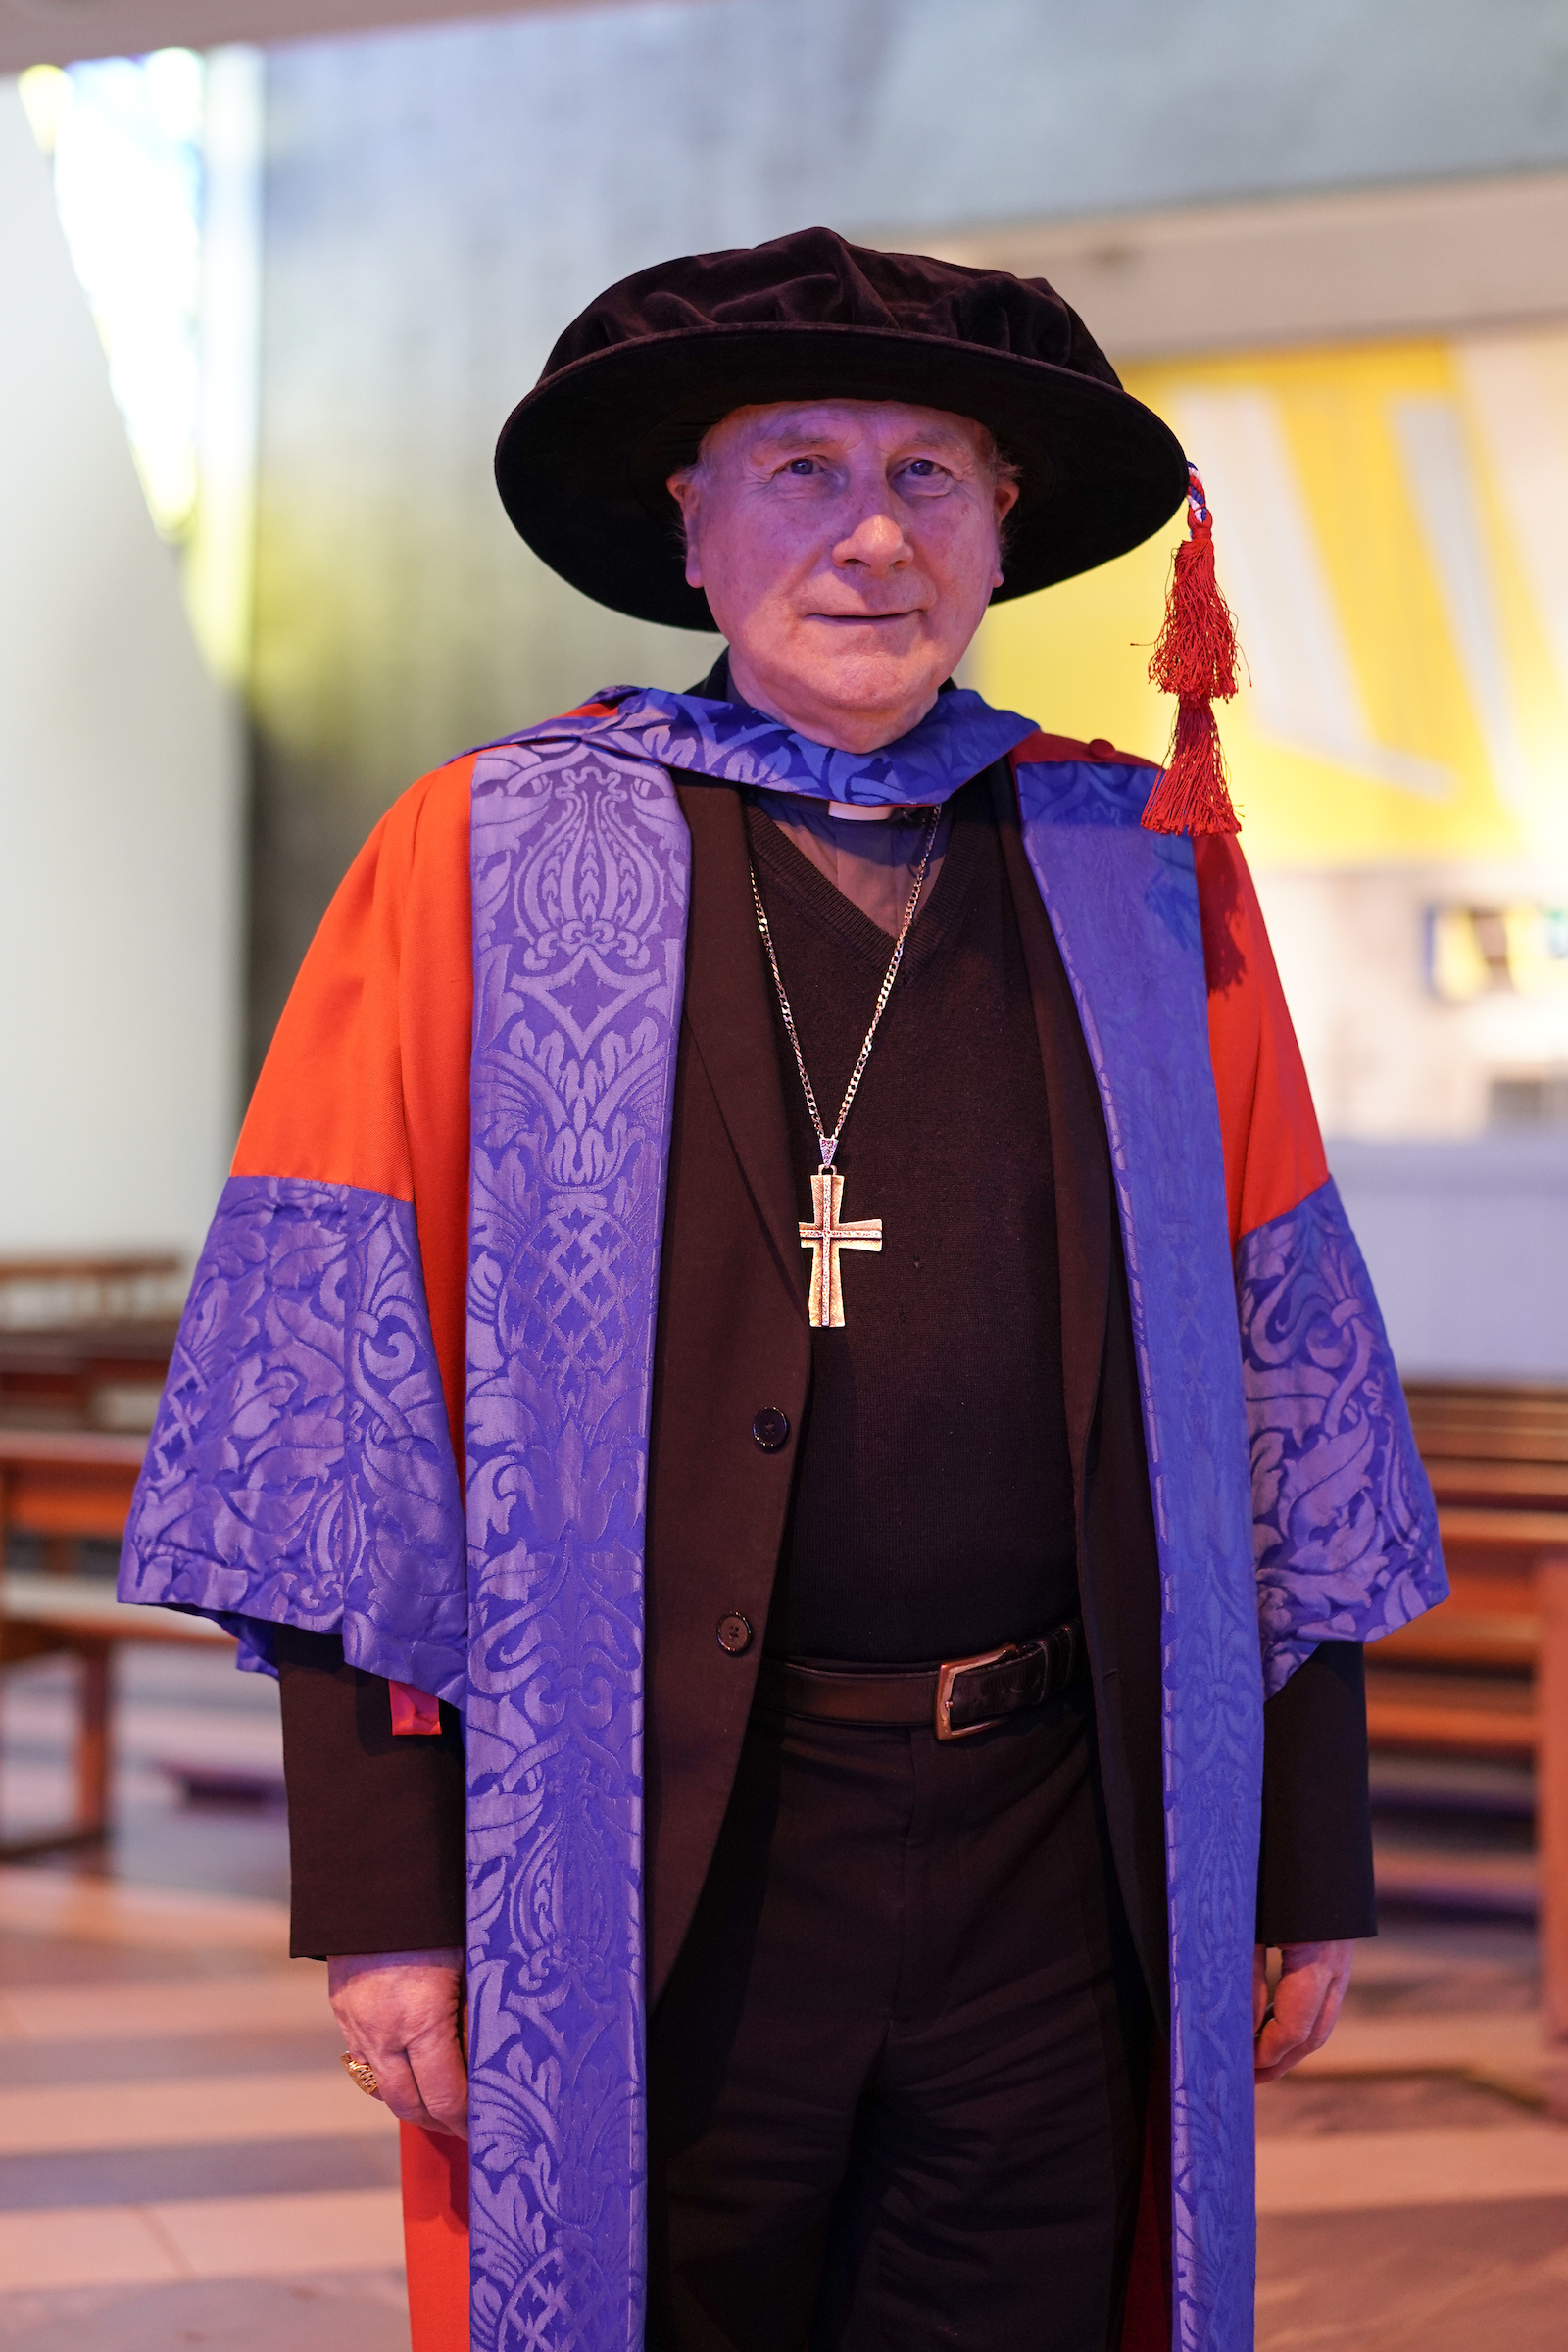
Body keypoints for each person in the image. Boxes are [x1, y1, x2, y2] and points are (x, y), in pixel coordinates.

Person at [122, 226, 1446, 2352]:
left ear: (1004, 527)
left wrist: (1304, 1846)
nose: (869, 534)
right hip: (647, 1848)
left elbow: (1276, 1398)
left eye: (931, 472)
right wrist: (385, 1904)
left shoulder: (1135, 867)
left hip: (1056, 1842)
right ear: (689, 511)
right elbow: (328, 1416)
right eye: (801, 463)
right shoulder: (476, 859)